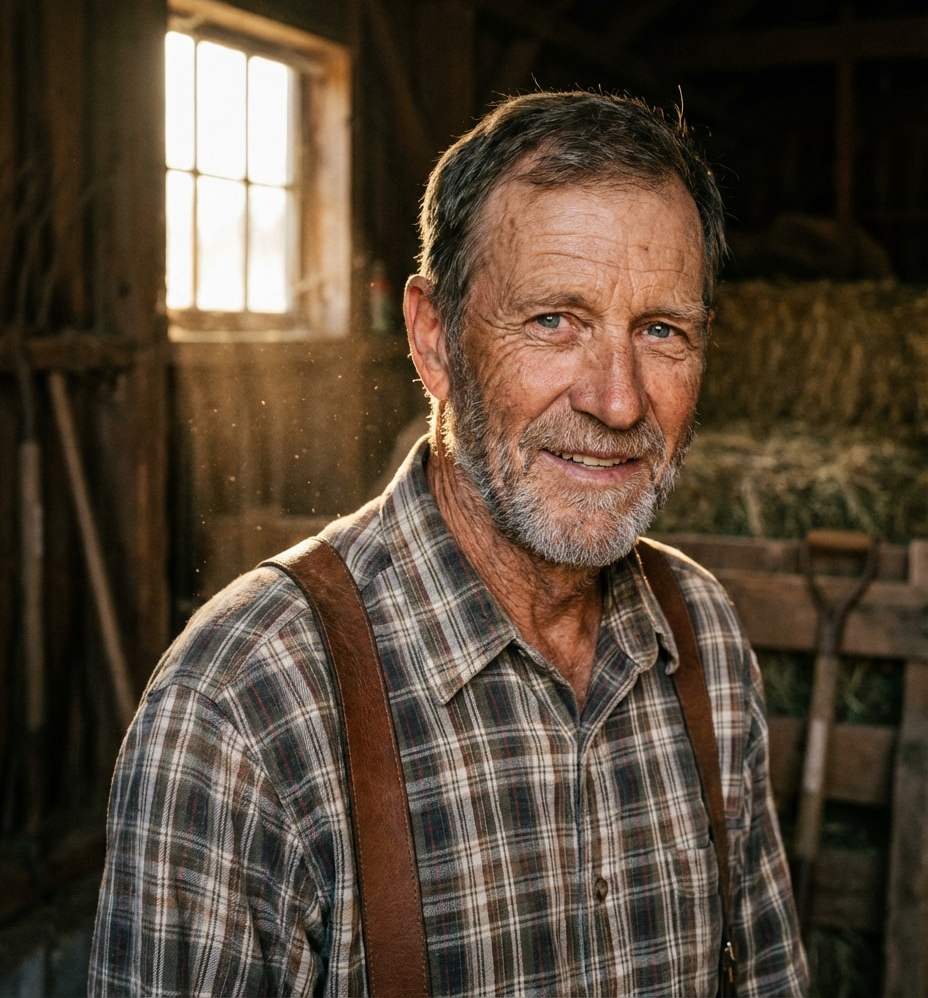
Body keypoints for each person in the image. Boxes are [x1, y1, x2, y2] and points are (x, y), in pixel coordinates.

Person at [90, 91, 808, 996]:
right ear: (433, 339)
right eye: (554, 320)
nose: (618, 401)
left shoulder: (701, 636)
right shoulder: (242, 711)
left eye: (661, 331)